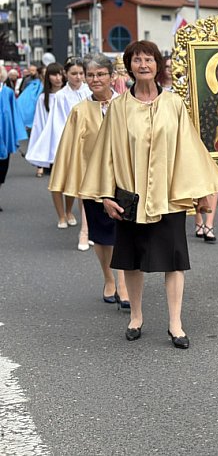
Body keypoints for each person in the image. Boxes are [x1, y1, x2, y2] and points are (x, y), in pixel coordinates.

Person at [80, 40, 218, 349]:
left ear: (158, 65)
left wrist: (201, 193)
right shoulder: (119, 107)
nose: (143, 64)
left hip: (168, 196)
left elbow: (189, 148)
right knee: (131, 260)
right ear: (129, 66)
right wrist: (106, 195)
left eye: (149, 59)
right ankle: (136, 316)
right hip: (130, 197)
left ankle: (175, 323)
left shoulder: (174, 104)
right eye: (137, 60)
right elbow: (105, 152)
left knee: (174, 261)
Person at [49, 53, 130, 306]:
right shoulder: (80, 111)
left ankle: (125, 284)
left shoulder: (126, 105)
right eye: (90, 75)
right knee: (102, 235)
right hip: (94, 182)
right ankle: (108, 278)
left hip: (124, 182)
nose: (95, 79)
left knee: (125, 235)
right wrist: (73, 181)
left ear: (111, 76)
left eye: (100, 74)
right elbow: (70, 149)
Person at [27, 57, 92, 232]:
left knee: (76, 181)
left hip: (86, 142)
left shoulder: (89, 91)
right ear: (66, 74)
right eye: (74, 73)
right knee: (59, 180)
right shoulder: (60, 96)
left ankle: (70, 211)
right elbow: (56, 122)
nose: (78, 77)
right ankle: (61, 214)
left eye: (81, 73)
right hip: (61, 141)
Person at [0, 67, 28, 212]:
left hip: (4, 134)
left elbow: (14, 114)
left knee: (2, 167)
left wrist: (17, 134)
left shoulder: (8, 93)